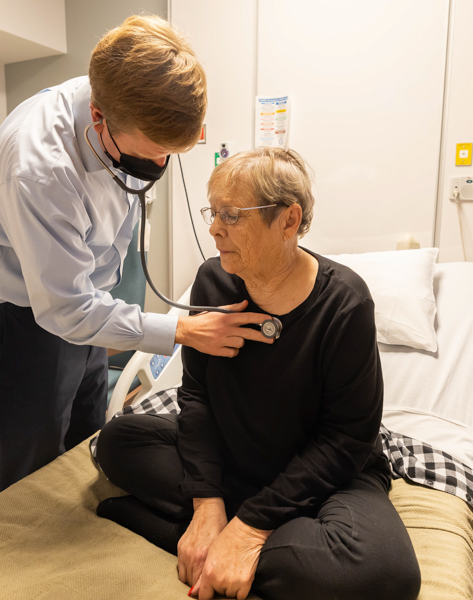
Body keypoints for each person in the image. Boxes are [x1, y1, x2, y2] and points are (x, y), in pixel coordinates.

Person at [0, 15, 274, 494]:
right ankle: (25, 560)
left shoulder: (122, 94)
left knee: (85, 445)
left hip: (83, 311)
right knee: (31, 474)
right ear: (100, 119)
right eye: (154, 151)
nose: (160, 165)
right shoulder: (38, 167)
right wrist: (182, 329)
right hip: (17, 321)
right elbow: (66, 307)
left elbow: (84, 302)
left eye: (171, 154)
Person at [96, 148, 422, 600]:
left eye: (231, 215)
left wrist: (249, 526)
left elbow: (346, 439)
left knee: (384, 574)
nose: (213, 228)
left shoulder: (345, 304)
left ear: (289, 220)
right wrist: (207, 501)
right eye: (213, 212)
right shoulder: (213, 282)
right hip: (235, 458)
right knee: (117, 441)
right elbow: (197, 398)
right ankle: (220, 532)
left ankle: (182, 536)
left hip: (325, 475)